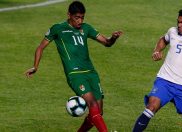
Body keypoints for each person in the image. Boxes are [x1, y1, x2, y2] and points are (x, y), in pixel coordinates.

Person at [25, 1, 122, 132]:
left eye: (82, 17)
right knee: (92, 104)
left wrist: (114, 38)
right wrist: (35, 66)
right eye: (77, 17)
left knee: (98, 112)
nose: (80, 21)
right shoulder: (57, 28)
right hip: (75, 75)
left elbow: (107, 42)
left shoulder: (86, 28)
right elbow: (40, 47)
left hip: (91, 73)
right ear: (69, 15)